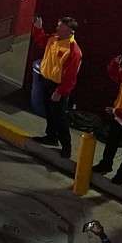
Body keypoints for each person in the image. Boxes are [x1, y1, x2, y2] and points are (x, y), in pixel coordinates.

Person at [37, 17, 82, 158]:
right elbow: (41, 41)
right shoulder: (53, 38)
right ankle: (51, 136)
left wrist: (60, 92)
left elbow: (70, 77)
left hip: (58, 87)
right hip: (46, 80)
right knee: (49, 111)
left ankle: (66, 147)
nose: (57, 29)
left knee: (59, 117)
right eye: (58, 26)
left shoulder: (74, 51)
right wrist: (38, 28)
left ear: (70, 31)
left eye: (61, 27)